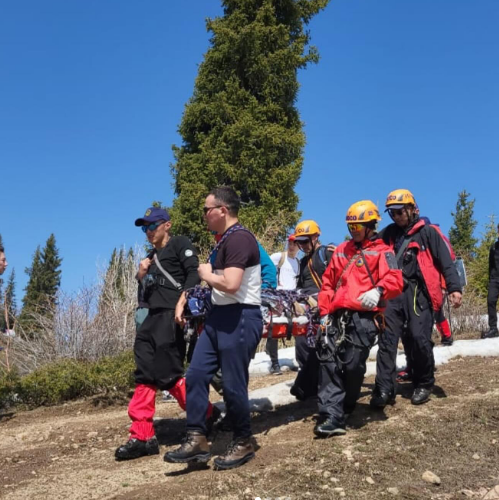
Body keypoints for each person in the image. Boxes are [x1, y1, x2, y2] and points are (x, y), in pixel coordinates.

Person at [165, 187, 263, 471]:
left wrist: (206, 274)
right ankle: (197, 438)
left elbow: (232, 284)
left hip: (241, 316)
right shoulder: (223, 242)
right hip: (219, 317)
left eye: (207, 209)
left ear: (223, 210)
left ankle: (243, 441)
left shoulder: (241, 239)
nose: (204, 214)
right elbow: (222, 286)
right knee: (196, 374)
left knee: (233, 384)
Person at [115, 207, 218, 461]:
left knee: (168, 373)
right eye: (144, 228)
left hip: (173, 316)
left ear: (167, 225)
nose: (148, 232)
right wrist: (140, 275)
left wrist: (184, 301)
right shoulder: (150, 257)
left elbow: (194, 273)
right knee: (144, 375)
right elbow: (146, 290)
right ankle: (142, 436)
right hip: (150, 318)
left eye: (152, 226)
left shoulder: (180, 244)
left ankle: (205, 414)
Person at [314, 201, 403, 437]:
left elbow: (395, 280)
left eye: (358, 227)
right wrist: (324, 313)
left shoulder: (384, 251)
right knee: (329, 362)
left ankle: (346, 404)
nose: (353, 231)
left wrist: (379, 291)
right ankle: (331, 414)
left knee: (353, 366)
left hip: (364, 318)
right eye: (351, 227)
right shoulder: (342, 250)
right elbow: (327, 284)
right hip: (336, 315)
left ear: (370, 225)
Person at [371, 189, 463, 408]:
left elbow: (445, 262)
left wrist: (454, 288)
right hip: (393, 291)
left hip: (418, 292)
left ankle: (424, 382)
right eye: (392, 213)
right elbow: (369, 246)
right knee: (387, 339)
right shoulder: (388, 234)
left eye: (400, 211)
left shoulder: (428, 232)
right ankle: (384, 388)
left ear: (412, 209)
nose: (396, 216)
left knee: (418, 337)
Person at [266, 234, 300, 375]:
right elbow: (265, 269)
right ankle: (274, 364)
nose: (291, 246)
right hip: (277, 297)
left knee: (299, 327)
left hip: (292, 299)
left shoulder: (298, 262)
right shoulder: (278, 257)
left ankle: (301, 361)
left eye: (295, 243)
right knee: (274, 328)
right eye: (290, 242)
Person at [483, 223, 499, 339]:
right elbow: (490, 265)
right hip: (495, 279)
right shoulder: (494, 247)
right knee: (491, 301)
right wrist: (491, 279)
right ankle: (493, 328)